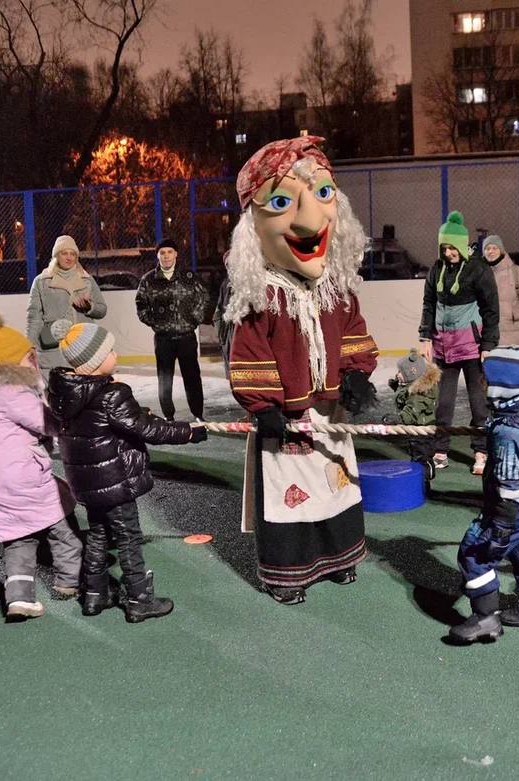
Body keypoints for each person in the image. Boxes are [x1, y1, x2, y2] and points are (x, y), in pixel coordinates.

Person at [225, 136, 379, 605]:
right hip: (288, 421)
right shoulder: (262, 294)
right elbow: (248, 351)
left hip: (330, 415)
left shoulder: (336, 287)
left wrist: (356, 374)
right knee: (290, 496)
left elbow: (352, 328)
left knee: (334, 487)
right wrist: (265, 406)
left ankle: (340, 558)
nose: (312, 219)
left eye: (324, 195)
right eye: (280, 201)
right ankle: (288, 574)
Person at [47, 319, 206, 622]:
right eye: (109, 352)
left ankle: (95, 594)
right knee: (128, 537)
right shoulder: (111, 394)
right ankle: (139, 599)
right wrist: (186, 432)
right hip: (114, 479)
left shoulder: (65, 394)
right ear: (94, 362)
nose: (116, 356)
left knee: (97, 534)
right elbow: (146, 427)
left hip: (87, 482)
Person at [0, 306, 82, 620]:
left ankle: (19, 599)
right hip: (21, 476)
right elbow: (48, 423)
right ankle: (70, 580)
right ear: (11, 363)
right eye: (28, 357)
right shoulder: (14, 391)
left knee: (18, 540)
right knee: (61, 521)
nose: (34, 361)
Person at [451, 347, 519, 644]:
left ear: (499, 387)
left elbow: (510, 487)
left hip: (512, 505)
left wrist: (500, 529)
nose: (480, 382)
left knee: (475, 553)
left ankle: (486, 618)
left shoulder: (510, 434)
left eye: (484, 378)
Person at [418, 211, 499, 475]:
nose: (449, 252)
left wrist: (488, 344)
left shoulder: (478, 269)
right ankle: (441, 449)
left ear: (462, 247)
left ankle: (481, 451)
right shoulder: (436, 269)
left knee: (479, 403)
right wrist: (425, 336)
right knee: (443, 404)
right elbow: (429, 304)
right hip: (444, 347)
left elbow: (490, 310)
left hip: (473, 348)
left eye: (453, 247)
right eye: (445, 247)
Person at [135, 237, 208, 421]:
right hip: (164, 339)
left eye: (169, 252)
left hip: (186, 337)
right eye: (162, 253)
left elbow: (203, 297)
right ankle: (169, 416)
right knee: (165, 380)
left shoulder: (188, 276)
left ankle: (198, 414)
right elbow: (141, 304)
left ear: (176, 254)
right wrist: (154, 322)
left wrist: (195, 318)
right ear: (158, 255)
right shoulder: (149, 279)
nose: (166, 256)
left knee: (192, 378)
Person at [26, 235, 107, 371]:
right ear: (56, 256)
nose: (69, 258)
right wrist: (30, 344)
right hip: (53, 347)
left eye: (73, 254)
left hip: (83, 346)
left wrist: (90, 307)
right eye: (64, 253)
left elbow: (102, 309)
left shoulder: (87, 280)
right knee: (55, 388)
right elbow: (34, 317)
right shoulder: (41, 281)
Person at [387, 348, 441, 489]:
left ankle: (424, 480)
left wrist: (397, 419)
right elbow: (405, 395)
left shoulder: (419, 393)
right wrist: (398, 386)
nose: (398, 375)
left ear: (412, 374)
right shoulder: (411, 385)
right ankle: (419, 477)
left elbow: (412, 411)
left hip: (422, 429)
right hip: (415, 429)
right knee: (416, 453)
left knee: (421, 455)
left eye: (401, 373)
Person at [482, 235, 519, 347]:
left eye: (494, 248)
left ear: (501, 250)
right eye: (487, 248)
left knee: (508, 363)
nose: (491, 251)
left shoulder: (515, 271)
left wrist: (513, 314)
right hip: (484, 333)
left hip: (510, 333)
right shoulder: (478, 272)